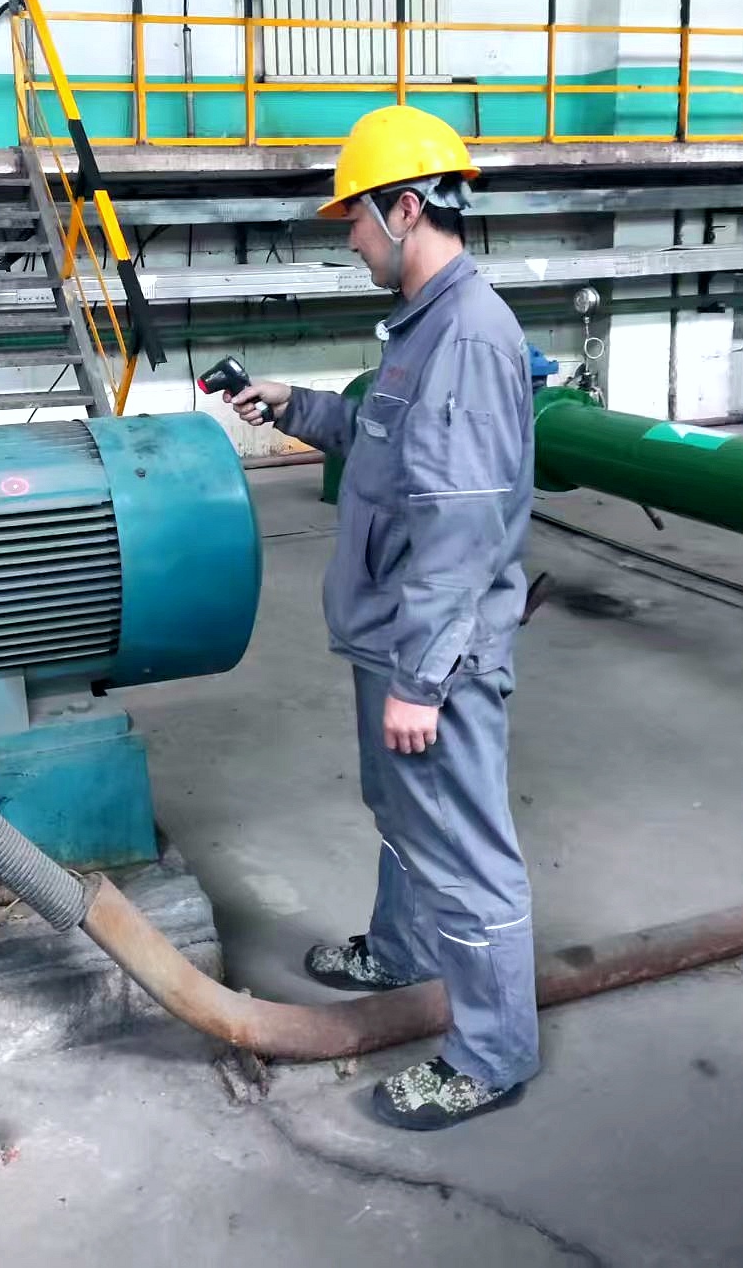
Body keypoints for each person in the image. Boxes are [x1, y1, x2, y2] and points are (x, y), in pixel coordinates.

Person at [228, 104, 539, 1132]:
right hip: (396, 634)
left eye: (355, 220)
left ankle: (490, 1055)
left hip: (431, 654)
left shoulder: (467, 335)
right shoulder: (422, 329)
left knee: (462, 847)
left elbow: (460, 524)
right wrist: (296, 404)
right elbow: (383, 441)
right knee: (404, 813)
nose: (351, 239)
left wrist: (419, 679)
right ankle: (402, 951)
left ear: (405, 209)